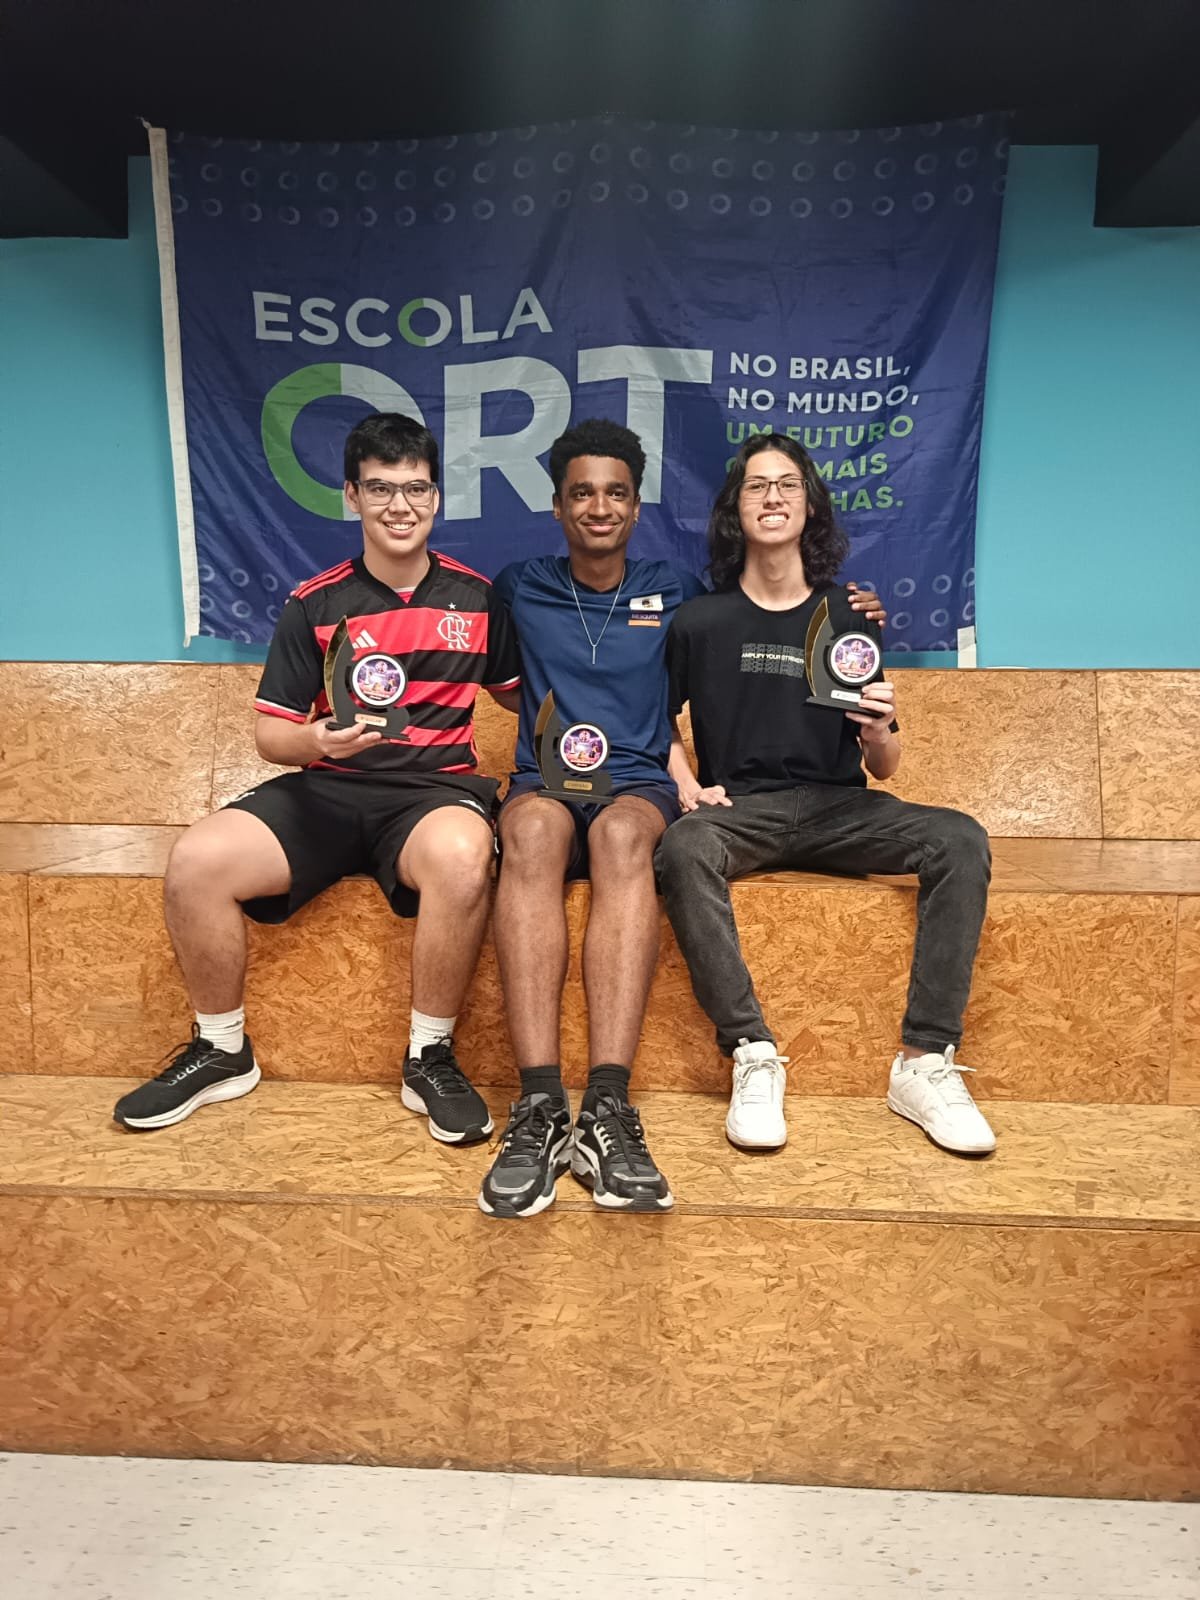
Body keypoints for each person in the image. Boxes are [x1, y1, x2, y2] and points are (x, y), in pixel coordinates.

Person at [477, 419, 887, 1217]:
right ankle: (538, 1105)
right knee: (528, 831)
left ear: (637, 505)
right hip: (544, 778)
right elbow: (499, 684)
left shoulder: (680, 590)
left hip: (638, 781)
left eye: (616, 493)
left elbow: (762, 618)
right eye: (581, 493)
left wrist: (851, 606)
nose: (599, 507)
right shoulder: (518, 585)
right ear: (557, 505)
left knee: (623, 835)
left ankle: (607, 1107)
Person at [113, 413, 521, 1142]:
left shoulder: (479, 598)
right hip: (328, 790)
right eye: (381, 488)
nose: (400, 505)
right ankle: (222, 1050)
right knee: (196, 859)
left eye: (415, 488)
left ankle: (429, 1057)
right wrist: (315, 739)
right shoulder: (316, 601)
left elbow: (525, 696)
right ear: (352, 496)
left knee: (464, 858)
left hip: (435, 795)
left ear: (436, 498)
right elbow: (271, 736)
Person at [655, 434, 996, 1157]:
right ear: (735, 508)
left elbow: (886, 767)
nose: (772, 497)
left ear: (809, 505)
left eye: (788, 484)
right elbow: (659, 724)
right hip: (741, 811)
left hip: (842, 810)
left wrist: (878, 730)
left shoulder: (850, 616)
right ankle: (752, 1052)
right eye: (756, 485)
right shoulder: (699, 621)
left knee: (960, 838)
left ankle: (923, 1063)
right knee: (682, 847)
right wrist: (686, 785)